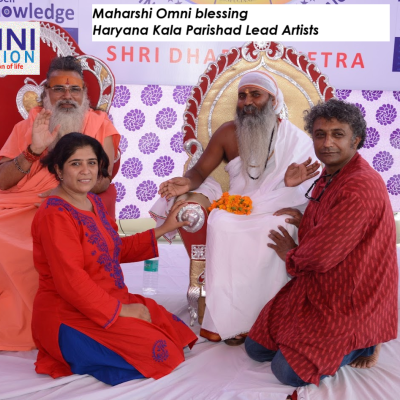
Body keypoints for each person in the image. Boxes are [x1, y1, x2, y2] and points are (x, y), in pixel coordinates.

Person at [154, 71, 320, 344]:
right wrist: (187, 182)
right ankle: (230, 321)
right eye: (242, 96)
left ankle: (269, 319)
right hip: (238, 207)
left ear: (273, 101)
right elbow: (200, 171)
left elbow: (312, 187)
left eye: (256, 95)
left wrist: (290, 185)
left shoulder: (293, 139)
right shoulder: (228, 133)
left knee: (278, 225)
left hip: (277, 205)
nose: (248, 101)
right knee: (220, 223)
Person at [245, 99, 398, 386]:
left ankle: (364, 342)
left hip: (350, 298)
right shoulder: (331, 173)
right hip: (318, 287)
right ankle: (310, 341)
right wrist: (305, 221)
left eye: (337, 134)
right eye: (320, 134)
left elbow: (320, 257)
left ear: (356, 140)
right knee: (256, 348)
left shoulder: (360, 185)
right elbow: (333, 225)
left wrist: (290, 253)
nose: (327, 143)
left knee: (287, 372)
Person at [31, 133, 197, 385]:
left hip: (106, 298)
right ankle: (79, 353)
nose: (86, 171)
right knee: (158, 351)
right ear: (58, 169)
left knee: (169, 327)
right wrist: (122, 311)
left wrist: (164, 228)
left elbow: (113, 249)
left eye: (92, 162)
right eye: (75, 163)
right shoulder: (55, 215)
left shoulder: (93, 202)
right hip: (68, 314)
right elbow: (71, 282)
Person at [0, 56, 120, 351]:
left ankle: (29, 327)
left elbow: (103, 179)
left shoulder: (99, 124)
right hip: (17, 202)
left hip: (66, 204)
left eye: (74, 89)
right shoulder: (29, 124)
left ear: (84, 94)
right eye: (59, 89)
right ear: (46, 93)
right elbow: (2, 181)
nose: (67, 96)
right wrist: (33, 149)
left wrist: (64, 192)